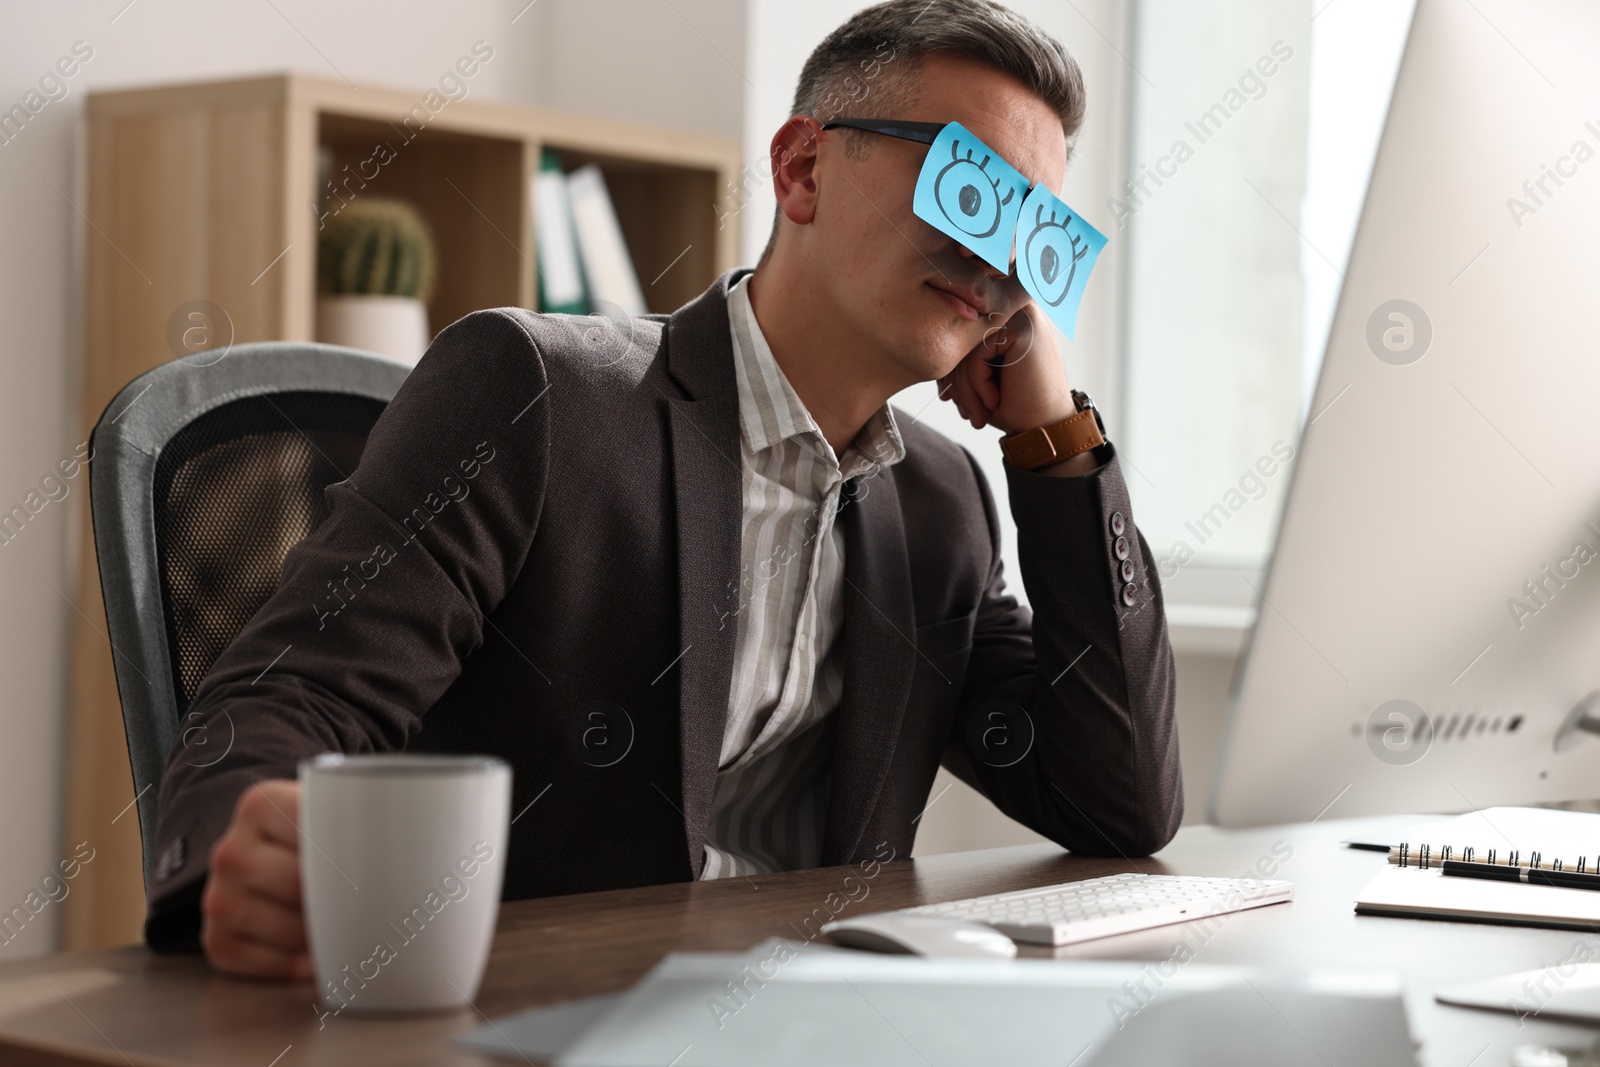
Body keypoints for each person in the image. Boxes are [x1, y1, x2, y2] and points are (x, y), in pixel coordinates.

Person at [146, 0, 1182, 979]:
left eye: (1034, 231)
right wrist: (251, 847)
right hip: (536, 1013)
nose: (995, 254)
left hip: (820, 1022)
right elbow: (294, 692)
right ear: (803, 167)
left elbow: (1117, 801)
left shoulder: (941, 500)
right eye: (970, 188)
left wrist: (1055, 443)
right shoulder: (537, 393)